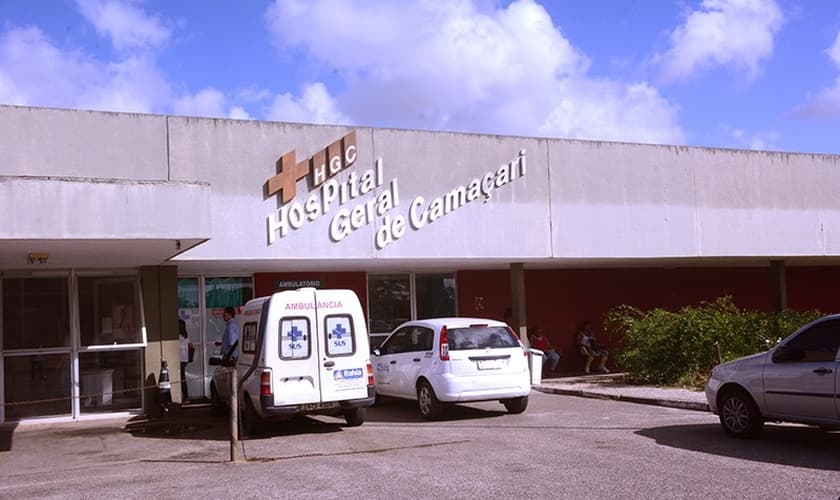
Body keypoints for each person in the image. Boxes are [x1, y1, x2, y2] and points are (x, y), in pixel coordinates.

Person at [178, 319, 192, 402]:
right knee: (182, 377)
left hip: (179, 359)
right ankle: (185, 396)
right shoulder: (185, 335)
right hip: (184, 359)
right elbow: (191, 346)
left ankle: (185, 396)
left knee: (181, 378)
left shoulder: (177, 336)